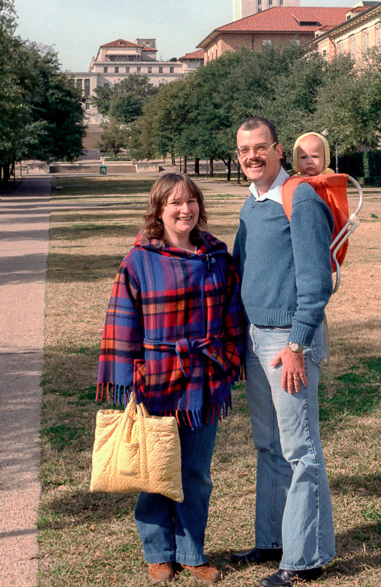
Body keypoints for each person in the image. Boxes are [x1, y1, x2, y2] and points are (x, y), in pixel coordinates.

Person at [97, 173, 244, 585]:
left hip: (204, 379)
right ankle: (158, 551)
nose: (185, 209)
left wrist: (228, 358)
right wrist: (131, 378)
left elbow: (234, 312)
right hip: (157, 380)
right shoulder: (139, 259)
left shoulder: (217, 254)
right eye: (175, 203)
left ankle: (192, 551)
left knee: (195, 471)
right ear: (159, 210)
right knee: (155, 466)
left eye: (191, 201)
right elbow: (122, 323)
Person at [231, 118, 335, 587]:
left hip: (288, 341)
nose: (251, 156)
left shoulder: (301, 197)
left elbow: (316, 283)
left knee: (300, 450)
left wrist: (296, 343)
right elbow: (239, 273)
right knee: (268, 446)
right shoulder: (252, 204)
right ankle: (272, 541)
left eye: (259, 148)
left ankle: (304, 557)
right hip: (256, 340)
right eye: (243, 150)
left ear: (277, 150)